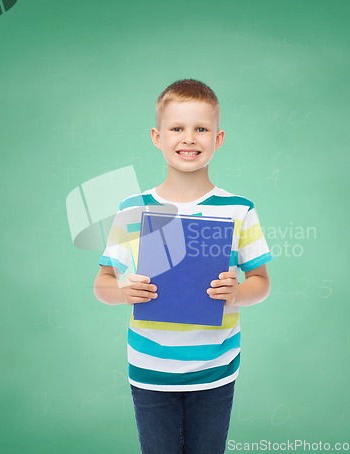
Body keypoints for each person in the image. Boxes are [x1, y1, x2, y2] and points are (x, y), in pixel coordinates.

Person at [93, 78, 272, 454]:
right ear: (157, 137)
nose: (189, 138)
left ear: (218, 139)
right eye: (177, 128)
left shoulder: (240, 209)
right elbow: (103, 284)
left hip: (216, 369)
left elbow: (261, 282)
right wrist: (125, 292)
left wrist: (238, 293)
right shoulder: (132, 208)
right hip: (150, 370)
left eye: (200, 129)